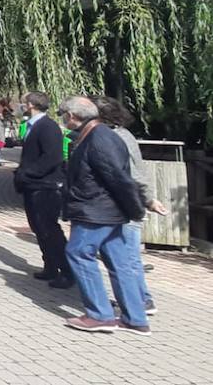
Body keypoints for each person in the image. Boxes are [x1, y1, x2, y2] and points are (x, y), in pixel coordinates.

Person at [57, 96, 149, 335]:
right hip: (103, 210)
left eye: (64, 115)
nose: (64, 120)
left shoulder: (99, 139)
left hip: (96, 211)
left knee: (77, 252)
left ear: (72, 116)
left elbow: (118, 178)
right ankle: (135, 318)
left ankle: (100, 315)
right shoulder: (96, 135)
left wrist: (136, 208)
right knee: (119, 262)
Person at [95, 96, 167, 318]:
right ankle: (141, 298)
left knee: (126, 257)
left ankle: (140, 300)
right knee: (128, 256)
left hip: (126, 205)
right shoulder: (120, 135)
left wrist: (148, 199)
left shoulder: (117, 138)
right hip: (125, 204)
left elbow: (136, 174)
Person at [13, 92, 73, 288]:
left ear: (30, 105)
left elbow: (52, 158)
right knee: (38, 227)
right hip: (33, 187)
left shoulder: (48, 127)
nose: (21, 106)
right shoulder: (33, 126)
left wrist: (27, 173)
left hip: (45, 187)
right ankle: (50, 265)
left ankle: (66, 270)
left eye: (23, 103)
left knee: (49, 229)